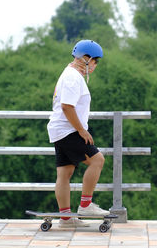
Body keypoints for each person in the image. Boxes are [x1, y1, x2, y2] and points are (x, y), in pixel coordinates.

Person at [47, 40, 110, 228]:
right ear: (86, 58)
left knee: (65, 172)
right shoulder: (73, 77)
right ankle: (85, 205)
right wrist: (82, 130)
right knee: (97, 160)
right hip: (69, 130)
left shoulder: (69, 74)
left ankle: (66, 219)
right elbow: (67, 106)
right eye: (95, 61)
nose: (95, 66)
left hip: (61, 129)